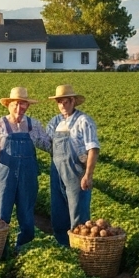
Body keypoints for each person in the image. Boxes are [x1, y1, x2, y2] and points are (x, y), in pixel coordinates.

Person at [0, 86, 51, 255]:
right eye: (15, 104)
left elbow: (47, 144)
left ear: (27, 106)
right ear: (8, 105)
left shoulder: (33, 125)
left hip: (28, 175)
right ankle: (1, 249)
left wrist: (68, 153)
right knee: (1, 213)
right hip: (5, 174)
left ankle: (24, 248)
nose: (19, 108)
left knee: (26, 212)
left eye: (23, 105)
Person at [45, 84, 100, 246]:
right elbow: (46, 143)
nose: (62, 105)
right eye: (59, 102)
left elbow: (93, 149)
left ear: (73, 101)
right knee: (58, 213)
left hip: (76, 174)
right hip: (57, 173)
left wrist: (88, 175)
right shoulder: (55, 122)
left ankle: (81, 250)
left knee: (78, 214)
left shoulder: (84, 121)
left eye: (66, 101)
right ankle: (63, 246)